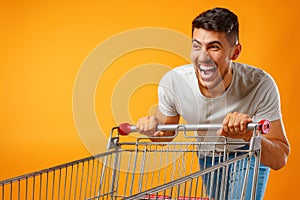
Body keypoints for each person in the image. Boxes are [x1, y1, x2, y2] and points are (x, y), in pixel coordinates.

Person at [135, 7, 290, 200]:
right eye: (197, 46)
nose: (203, 57)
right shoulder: (174, 82)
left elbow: (279, 157)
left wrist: (249, 134)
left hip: (247, 153)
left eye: (214, 47)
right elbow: (165, 135)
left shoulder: (260, 84)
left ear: (235, 51)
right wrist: (152, 130)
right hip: (209, 156)